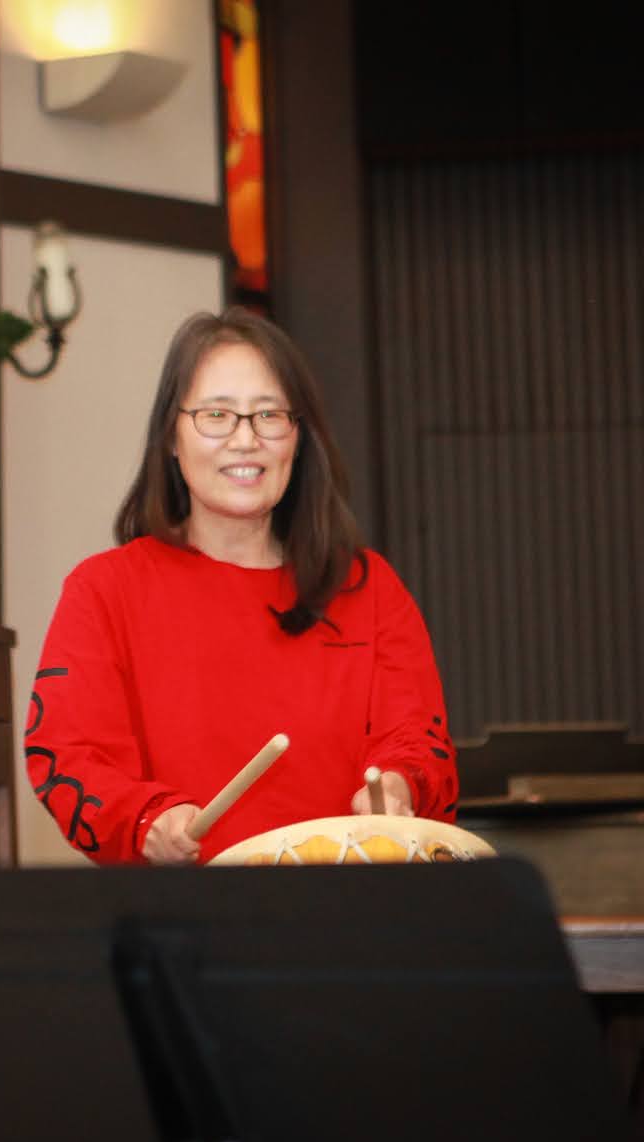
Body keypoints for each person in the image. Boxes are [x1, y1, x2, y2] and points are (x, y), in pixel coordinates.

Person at [26, 307, 456, 866]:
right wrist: (146, 820)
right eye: (217, 415)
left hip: (346, 903)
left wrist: (400, 785)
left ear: (298, 438)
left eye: (269, 415)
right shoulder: (104, 590)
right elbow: (70, 754)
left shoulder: (367, 588)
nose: (245, 439)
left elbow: (417, 737)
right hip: (186, 909)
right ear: (172, 436)